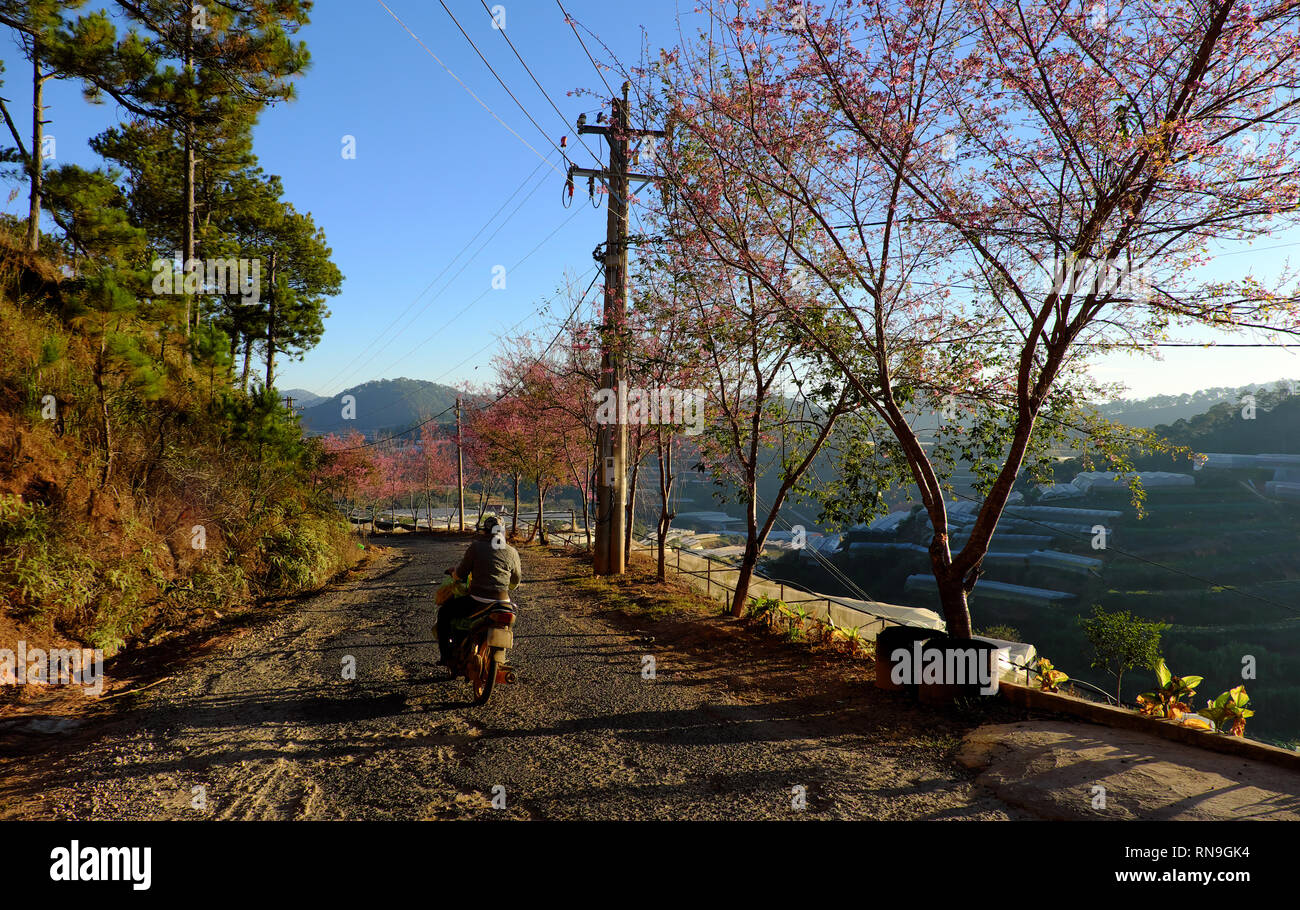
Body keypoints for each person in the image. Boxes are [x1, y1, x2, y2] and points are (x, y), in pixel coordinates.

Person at [437, 516, 522, 666]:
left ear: (485, 531)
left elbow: (461, 573)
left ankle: (446, 656)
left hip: (478, 601)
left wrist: (453, 574)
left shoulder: (476, 547)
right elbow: (515, 582)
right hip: (503, 603)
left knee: (444, 613)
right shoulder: (511, 552)